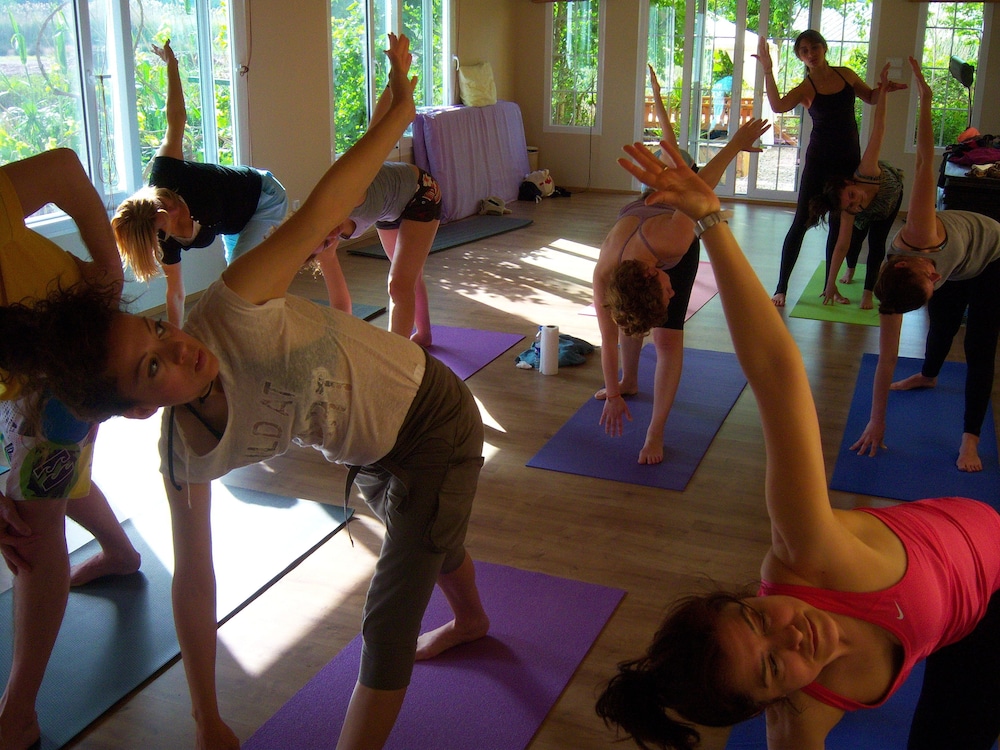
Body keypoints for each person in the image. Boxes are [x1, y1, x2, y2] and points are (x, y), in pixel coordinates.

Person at [0, 34, 489, 750]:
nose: (178, 346)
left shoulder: (233, 305)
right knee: (429, 534)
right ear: (140, 411)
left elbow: (323, 207)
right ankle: (473, 618)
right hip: (373, 449)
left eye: (155, 332)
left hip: (432, 416)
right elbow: (193, 580)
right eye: (153, 368)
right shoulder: (184, 456)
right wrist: (207, 719)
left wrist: (395, 117)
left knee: (389, 616)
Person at [595, 120, 1000, 750]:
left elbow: (777, 374)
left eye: (757, 618)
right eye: (770, 668)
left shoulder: (807, 551)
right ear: (770, 704)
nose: (792, 635)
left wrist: (711, 220)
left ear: (743, 596)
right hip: (951, 622)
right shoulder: (802, 719)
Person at [0, 149, 141, 750]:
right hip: (16, 382)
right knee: (50, 485)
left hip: (65, 375)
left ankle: (17, 715)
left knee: (33, 527)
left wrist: (108, 272)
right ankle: (120, 551)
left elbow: (63, 168)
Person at [594, 66, 770, 464]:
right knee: (630, 325)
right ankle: (629, 379)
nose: (674, 292)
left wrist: (736, 143)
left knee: (668, 340)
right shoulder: (604, 276)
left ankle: (655, 432)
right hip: (646, 233)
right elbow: (607, 338)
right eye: (669, 290)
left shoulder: (673, 239)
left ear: (651, 272)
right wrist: (614, 393)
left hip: (671, 227)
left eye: (667, 289)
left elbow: (701, 187)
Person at [853, 58, 1000, 473]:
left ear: (911, 267)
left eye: (929, 277)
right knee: (942, 325)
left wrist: (926, 100)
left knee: (979, 345)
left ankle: (970, 438)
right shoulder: (893, 293)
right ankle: (928, 375)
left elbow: (922, 162)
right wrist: (876, 421)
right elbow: (885, 361)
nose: (935, 276)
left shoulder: (920, 233)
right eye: (933, 281)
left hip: (992, 253)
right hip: (962, 260)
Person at [112, 40, 289, 326]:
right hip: (235, 220)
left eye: (161, 205)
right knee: (242, 286)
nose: (169, 210)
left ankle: (269, 330)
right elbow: (175, 294)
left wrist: (172, 66)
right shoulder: (165, 241)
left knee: (237, 284)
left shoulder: (167, 173)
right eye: (161, 221)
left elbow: (176, 119)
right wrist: (175, 334)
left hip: (263, 196)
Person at [755, 31, 900, 307]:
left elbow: (871, 97)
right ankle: (781, 288)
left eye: (815, 47)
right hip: (819, 163)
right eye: (804, 50)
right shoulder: (806, 87)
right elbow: (778, 105)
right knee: (801, 222)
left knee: (839, 222)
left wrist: (883, 89)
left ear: (824, 48)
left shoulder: (846, 74)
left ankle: (828, 286)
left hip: (848, 161)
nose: (811, 53)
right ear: (800, 57)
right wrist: (768, 70)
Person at [308, 80, 442, 346]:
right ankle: (424, 335)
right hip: (389, 208)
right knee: (407, 275)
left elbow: (376, 133)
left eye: (327, 235)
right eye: (326, 243)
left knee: (399, 283)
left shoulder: (347, 191)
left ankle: (397, 356)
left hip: (421, 192)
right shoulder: (323, 246)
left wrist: (395, 83)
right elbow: (341, 306)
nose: (333, 237)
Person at [809, 62, 905, 309]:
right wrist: (830, 283)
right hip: (868, 212)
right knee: (853, 243)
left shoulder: (867, 171)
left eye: (852, 195)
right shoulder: (851, 209)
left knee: (877, 243)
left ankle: (867, 291)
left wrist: (883, 93)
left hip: (890, 198)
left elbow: (879, 128)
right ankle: (850, 270)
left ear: (850, 182)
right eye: (850, 205)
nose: (856, 201)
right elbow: (840, 245)